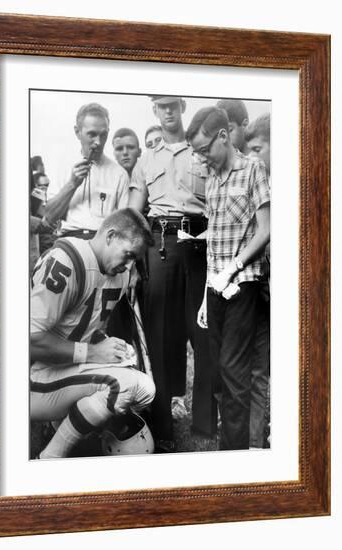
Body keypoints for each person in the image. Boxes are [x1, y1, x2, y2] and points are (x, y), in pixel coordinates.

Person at [30, 208, 156, 459]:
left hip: (58, 372)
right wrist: (93, 352)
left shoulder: (117, 274)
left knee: (136, 382)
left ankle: (75, 439)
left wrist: (108, 346)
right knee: (134, 385)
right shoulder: (67, 260)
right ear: (110, 236)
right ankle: (49, 459)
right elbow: (28, 340)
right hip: (29, 378)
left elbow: (84, 328)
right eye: (128, 255)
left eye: (136, 260)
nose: (129, 266)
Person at [129, 95, 214, 450]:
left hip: (200, 246)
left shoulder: (202, 151)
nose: (167, 110)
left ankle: (206, 423)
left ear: (182, 106)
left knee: (206, 334)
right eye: (160, 105)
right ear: (154, 110)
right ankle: (162, 428)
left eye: (172, 104)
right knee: (161, 337)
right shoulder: (146, 159)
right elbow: (135, 211)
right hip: (161, 245)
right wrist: (134, 260)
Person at [187, 106, 270, 451]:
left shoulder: (253, 170)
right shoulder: (211, 179)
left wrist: (233, 267)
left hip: (242, 283)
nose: (203, 158)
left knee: (234, 372)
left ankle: (235, 456)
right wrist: (206, 298)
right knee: (219, 375)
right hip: (215, 288)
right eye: (198, 153)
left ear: (223, 136)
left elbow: (266, 229)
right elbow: (213, 243)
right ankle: (231, 447)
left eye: (206, 149)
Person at [44, 103, 130, 240]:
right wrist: (72, 184)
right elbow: (49, 217)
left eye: (104, 135)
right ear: (77, 132)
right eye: (92, 134)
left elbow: (124, 226)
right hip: (69, 241)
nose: (98, 142)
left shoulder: (119, 174)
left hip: (104, 243)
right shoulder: (63, 166)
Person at [245, 112, 271, 448]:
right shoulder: (257, 185)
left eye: (258, 148)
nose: (252, 157)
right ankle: (255, 442)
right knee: (259, 367)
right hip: (262, 286)